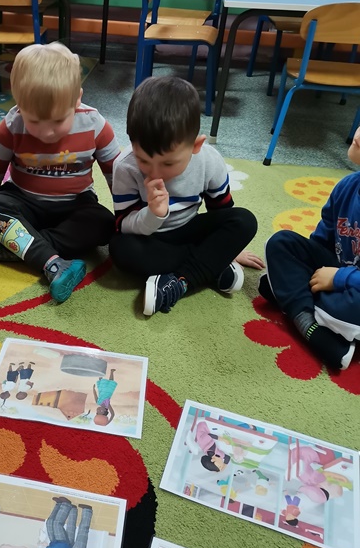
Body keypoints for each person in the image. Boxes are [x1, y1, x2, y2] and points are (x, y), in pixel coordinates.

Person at [0, 42, 120, 303]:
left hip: (75, 205)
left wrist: (126, 216)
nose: (47, 132)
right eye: (34, 121)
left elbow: (117, 178)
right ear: (19, 104)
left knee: (105, 223)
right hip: (24, 201)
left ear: (77, 99)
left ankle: (15, 248)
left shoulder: (96, 125)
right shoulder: (12, 125)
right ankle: (54, 263)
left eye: (58, 120)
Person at [109, 76, 262, 315]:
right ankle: (209, 266)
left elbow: (222, 210)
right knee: (120, 249)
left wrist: (231, 248)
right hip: (152, 239)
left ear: (196, 146)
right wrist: (153, 215)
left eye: (168, 163)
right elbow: (123, 225)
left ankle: (183, 278)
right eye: (144, 161)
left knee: (245, 220)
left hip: (190, 229)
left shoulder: (209, 161)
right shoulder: (125, 166)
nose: (155, 172)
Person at [259, 126, 360, 371]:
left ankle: (295, 304)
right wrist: (311, 269)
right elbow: (319, 243)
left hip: (351, 289)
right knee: (281, 243)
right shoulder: (347, 186)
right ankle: (310, 320)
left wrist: (339, 278)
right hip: (335, 274)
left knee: (277, 284)